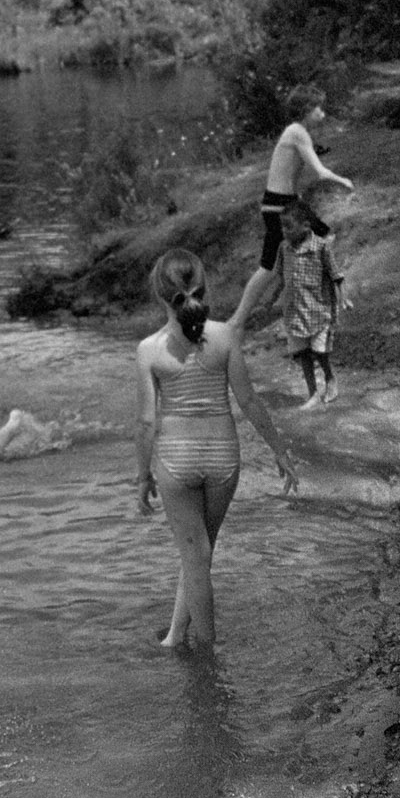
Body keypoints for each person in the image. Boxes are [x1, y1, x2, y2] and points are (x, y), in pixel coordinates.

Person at [136, 249, 299, 653]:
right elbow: (249, 401)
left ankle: (206, 653)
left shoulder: (149, 349)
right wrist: (280, 451)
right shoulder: (225, 335)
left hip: (176, 460)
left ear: (161, 297)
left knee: (195, 554)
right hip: (223, 457)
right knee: (200, 552)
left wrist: (142, 477)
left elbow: (145, 421)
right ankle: (176, 636)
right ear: (203, 290)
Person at [233, 84, 353, 327]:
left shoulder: (297, 132)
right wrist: (344, 181)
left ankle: (289, 296)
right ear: (307, 109)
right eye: (319, 108)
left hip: (288, 202)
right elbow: (319, 172)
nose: (323, 113)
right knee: (269, 265)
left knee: (322, 238)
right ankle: (238, 319)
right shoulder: (297, 132)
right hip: (279, 205)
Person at [237, 197, 347, 405]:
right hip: (294, 312)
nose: (284, 231)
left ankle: (330, 378)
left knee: (320, 351)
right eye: (282, 227)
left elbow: (336, 275)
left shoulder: (321, 247)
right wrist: (272, 298)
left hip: (319, 310)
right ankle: (313, 393)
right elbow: (281, 277)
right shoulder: (283, 249)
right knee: (302, 352)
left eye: (289, 227)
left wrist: (343, 298)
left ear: (306, 226)